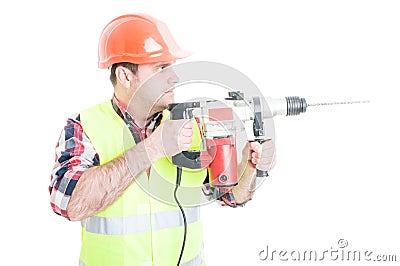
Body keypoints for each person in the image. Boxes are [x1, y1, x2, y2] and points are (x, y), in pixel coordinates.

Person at [49, 13, 275, 266]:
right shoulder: (85, 126)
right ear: (125, 76)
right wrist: (153, 148)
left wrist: (250, 168)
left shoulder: (193, 124)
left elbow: (230, 196)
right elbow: (68, 204)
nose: (175, 77)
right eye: (161, 68)